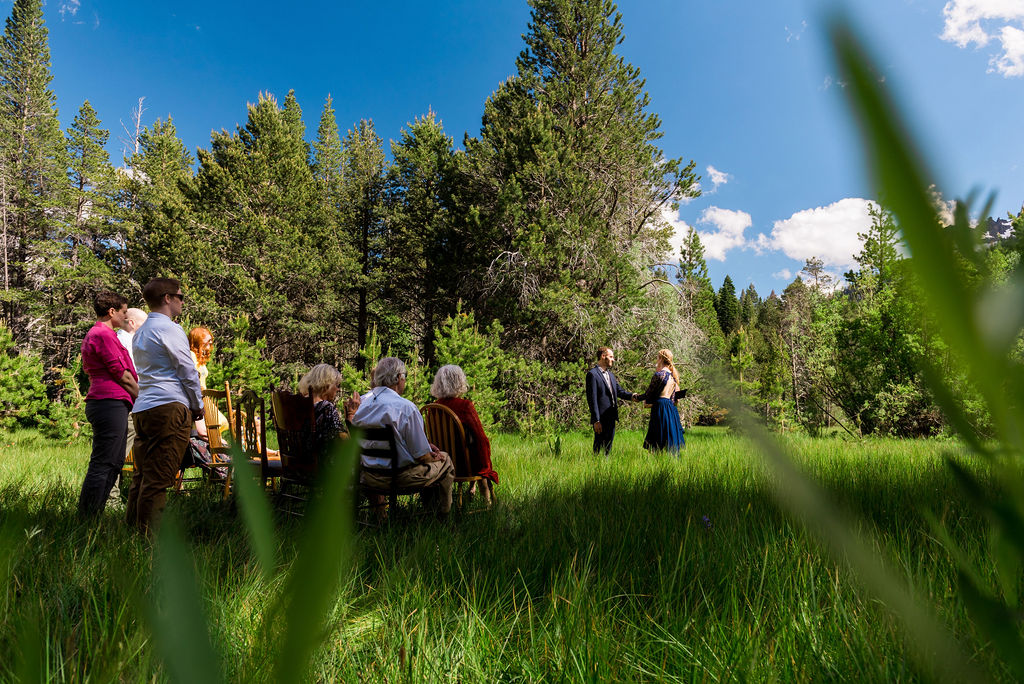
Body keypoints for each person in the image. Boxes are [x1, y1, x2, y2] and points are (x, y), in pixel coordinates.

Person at [126, 278, 204, 535]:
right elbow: (187, 371)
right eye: (180, 297)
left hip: (143, 407)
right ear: (167, 298)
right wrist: (197, 406)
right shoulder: (169, 329)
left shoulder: (141, 332)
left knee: (142, 475)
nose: (182, 302)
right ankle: (149, 540)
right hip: (169, 407)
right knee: (159, 478)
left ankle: (131, 532)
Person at [351, 357, 455, 515]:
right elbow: (422, 457)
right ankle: (442, 516)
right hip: (399, 478)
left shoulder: (362, 405)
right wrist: (433, 456)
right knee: (445, 460)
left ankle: (384, 515)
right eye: (404, 376)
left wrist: (426, 448)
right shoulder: (405, 408)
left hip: (369, 476)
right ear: (398, 378)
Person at [78, 291, 139, 517]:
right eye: (124, 312)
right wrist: (142, 399)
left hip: (114, 403)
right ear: (112, 312)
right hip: (108, 403)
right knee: (104, 462)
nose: (126, 316)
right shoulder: (102, 335)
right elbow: (121, 374)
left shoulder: (105, 334)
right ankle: (87, 516)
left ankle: (95, 514)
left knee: (114, 461)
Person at [429, 364, 498, 504]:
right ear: (459, 382)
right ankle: (486, 501)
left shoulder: (433, 408)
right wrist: (486, 466)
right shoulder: (465, 406)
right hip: (464, 465)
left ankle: (468, 491)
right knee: (478, 449)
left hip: (442, 463)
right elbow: (480, 438)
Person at [114, 307, 147, 500]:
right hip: (129, 402)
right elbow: (129, 377)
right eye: (144, 324)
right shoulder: (124, 343)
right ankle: (111, 496)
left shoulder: (131, 342)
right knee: (119, 452)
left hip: (136, 401)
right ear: (133, 323)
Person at [585, 346, 640, 455]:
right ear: (603, 356)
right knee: (598, 448)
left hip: (611, 416)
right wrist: (596, 420)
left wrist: (633, 396)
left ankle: (606, 465)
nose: (613, 359)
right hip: (600, 419)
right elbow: (592, 399)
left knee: (608, 449)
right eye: (611, 357)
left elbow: (619, 391)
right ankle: (595, 465)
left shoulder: (610, 375)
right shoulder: (593, 374)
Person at [297, 363, 360, 457]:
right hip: (322, 464)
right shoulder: (326, 407)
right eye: (337, 385)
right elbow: (345, 444)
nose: (338, 389)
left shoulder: (299, 403)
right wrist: (351, 415)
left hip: (297, 460)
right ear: (326, 385)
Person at [641, 349, 686, 454]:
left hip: (660, 407)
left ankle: (658, 460)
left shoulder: (659, 375)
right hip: (670, 408)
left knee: (657, 436)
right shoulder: (673, 377)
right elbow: (675, 400)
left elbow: (648, 394)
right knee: (669, 436)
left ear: (661, 358)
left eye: (657, 357)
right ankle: (669, 461)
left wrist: (636, 397)